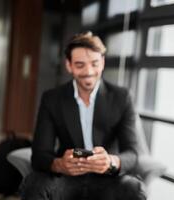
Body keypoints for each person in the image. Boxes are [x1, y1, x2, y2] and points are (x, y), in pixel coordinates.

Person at [21, 32, 146, 200]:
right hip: (66, 178)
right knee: (34, 185)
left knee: (134, 189)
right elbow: (39, 155)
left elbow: (132, 153)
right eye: (80, 65)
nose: (88, 72)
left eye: (94, 63)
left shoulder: (122, 97)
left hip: (107, 179)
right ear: (69, 65)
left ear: (102, 62)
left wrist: (111, 161)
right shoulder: (52, 98)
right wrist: (60, 165)